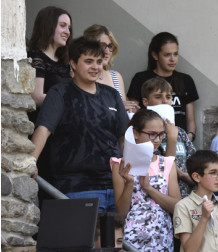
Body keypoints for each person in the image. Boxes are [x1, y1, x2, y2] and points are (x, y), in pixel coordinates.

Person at [30, 37, 128, 212]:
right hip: (77, 188)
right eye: (88, 61)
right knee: (84, 240)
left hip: (115, 186)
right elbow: (44, 129)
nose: (95, 67)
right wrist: (31, 161)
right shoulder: (60, 92)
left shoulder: (112, 94)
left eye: (99, 62)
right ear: (74, 63)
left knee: (115, 240)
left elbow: (124, 138)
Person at [111, 109, 180, 252]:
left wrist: (148, 188)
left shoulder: (167, 163)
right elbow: (121, 212)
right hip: (132, 239)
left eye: (161, 134)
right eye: (151, 134)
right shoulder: (120, 164)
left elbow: (177, 206)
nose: (157, 140)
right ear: (135, 133)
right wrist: (129, 183)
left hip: (161, 240)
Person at [127, 32, 198, 140]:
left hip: (180, 142)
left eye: (175, 54)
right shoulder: (140, 79)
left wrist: (190, 136)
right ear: (155, 55)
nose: (173, 59)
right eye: (167, 55)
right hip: (151, 142)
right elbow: (134, 116)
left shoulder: (186, 80)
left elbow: (190, 119)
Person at [141, 77, 196, 198]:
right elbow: (158, 168)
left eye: (168, 97)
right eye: (158, 97)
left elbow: (195, 162)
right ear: (145, 102)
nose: (165, 101)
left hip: (186, 197)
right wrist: (180, 174)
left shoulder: (180, 132)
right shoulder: (145, 135)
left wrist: (193, 177)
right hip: (159, 198)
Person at [82, 24, 138, 113]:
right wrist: (117, 105)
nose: (107, 51)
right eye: (102, 45)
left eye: (110, 46)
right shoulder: (80, 74)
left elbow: (124, 109)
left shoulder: (116, 76)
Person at [27, 6, 72, 112]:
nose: (68, 32)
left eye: (69, 27)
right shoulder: (36, 57)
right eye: (62, 26)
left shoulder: (64, 63)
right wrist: (71, 99)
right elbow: (37, 98)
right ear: (48, 26)